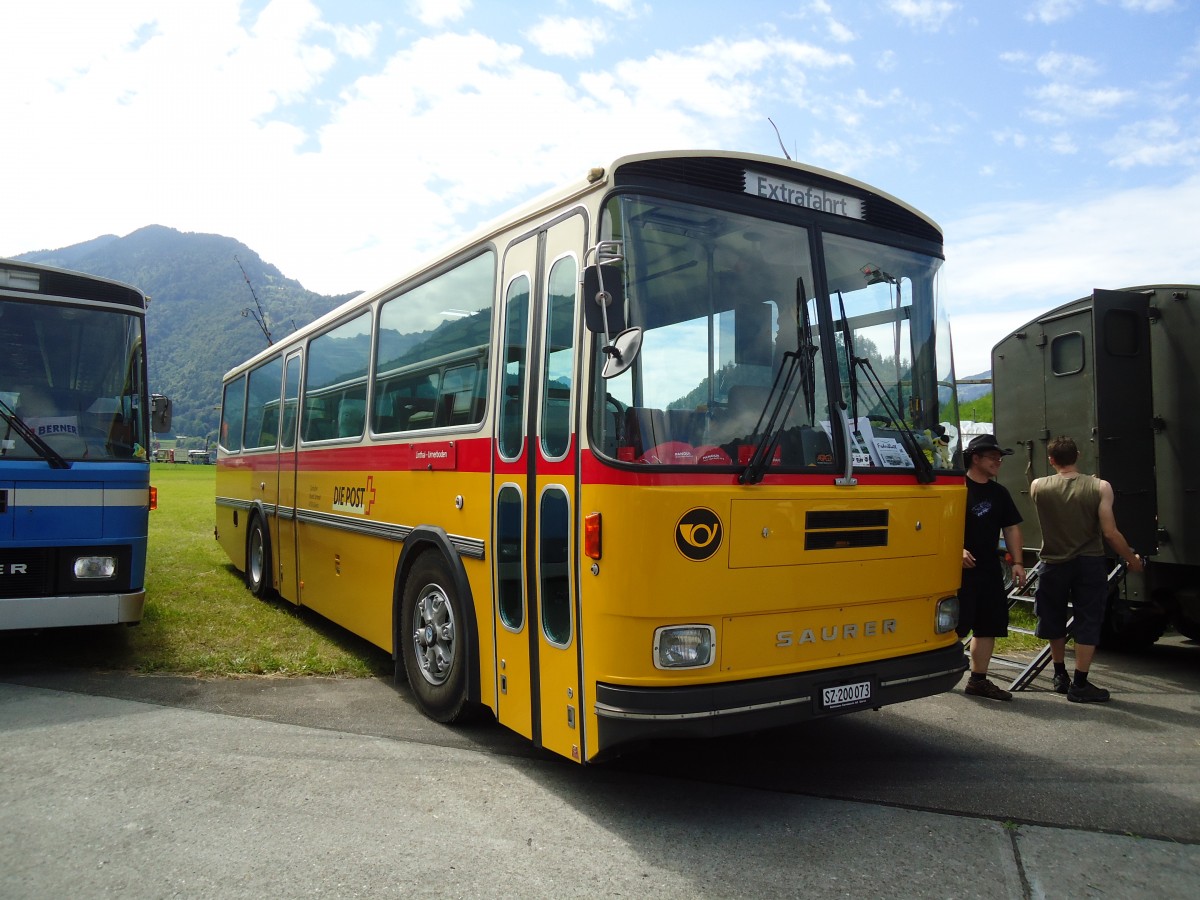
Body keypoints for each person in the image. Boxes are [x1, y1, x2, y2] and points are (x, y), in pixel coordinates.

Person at [1030, 436, 1144, 703]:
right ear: (1078, 455)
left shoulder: (1038, 486)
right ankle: (1080, 683)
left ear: (1051, 460)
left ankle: (1060, 674)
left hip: (1052, 562)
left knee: (1053, 618)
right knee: (1088, 619)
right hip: (1088, 562)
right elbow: (1110, 532)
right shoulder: (1100, 487)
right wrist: (1131, 558)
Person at [959, 434, 1026, 701]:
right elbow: (936, 525)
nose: (998, 461)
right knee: (954, 625)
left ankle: (978, 680)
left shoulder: (999, 493)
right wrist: (955, 550)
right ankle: (938, 672)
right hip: (957, 569)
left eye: (1000, 458)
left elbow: (1011, 528)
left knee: (988, 625)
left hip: (988, 567)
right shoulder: (956, 487)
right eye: (993, 457)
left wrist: (1018, 562)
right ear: (975, 458)